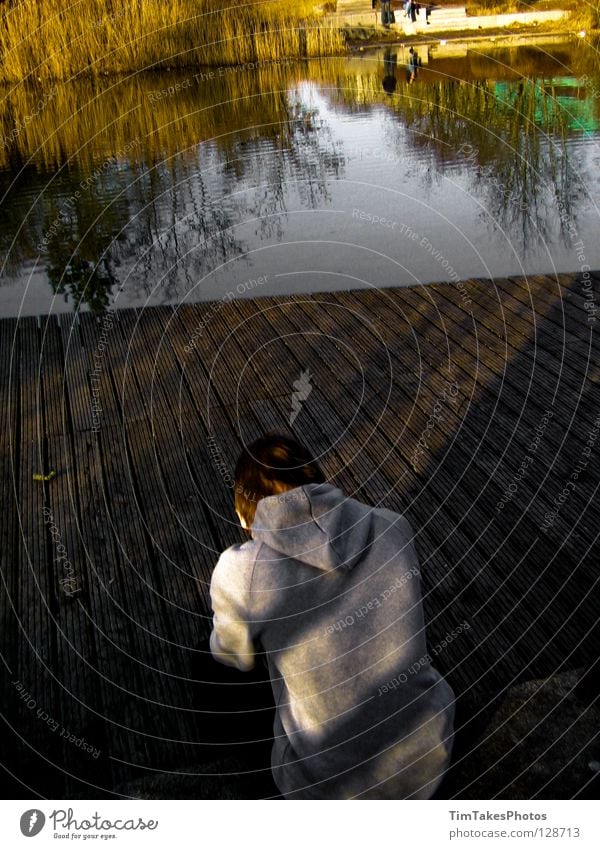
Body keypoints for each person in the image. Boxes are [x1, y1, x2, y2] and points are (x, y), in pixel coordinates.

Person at [209, 433, 455, 799]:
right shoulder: (393, 525)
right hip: (428, 758)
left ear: (246, 517)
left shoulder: (241, 572)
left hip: (328, 788)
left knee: (213, 666)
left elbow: (233, 657)